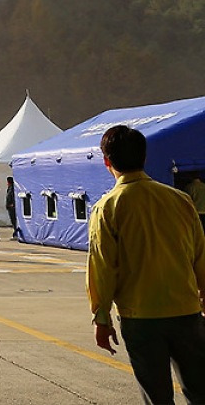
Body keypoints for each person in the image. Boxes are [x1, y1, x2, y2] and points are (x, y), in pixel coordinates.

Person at [87, 125, 205, 404]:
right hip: (187, 314)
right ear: (144, 157)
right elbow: (200, 255)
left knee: (157, 396)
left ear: (107, 162)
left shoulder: (108, 207)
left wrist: (101, 317)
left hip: (141, 319)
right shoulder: (180, 200)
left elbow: (103, 268)